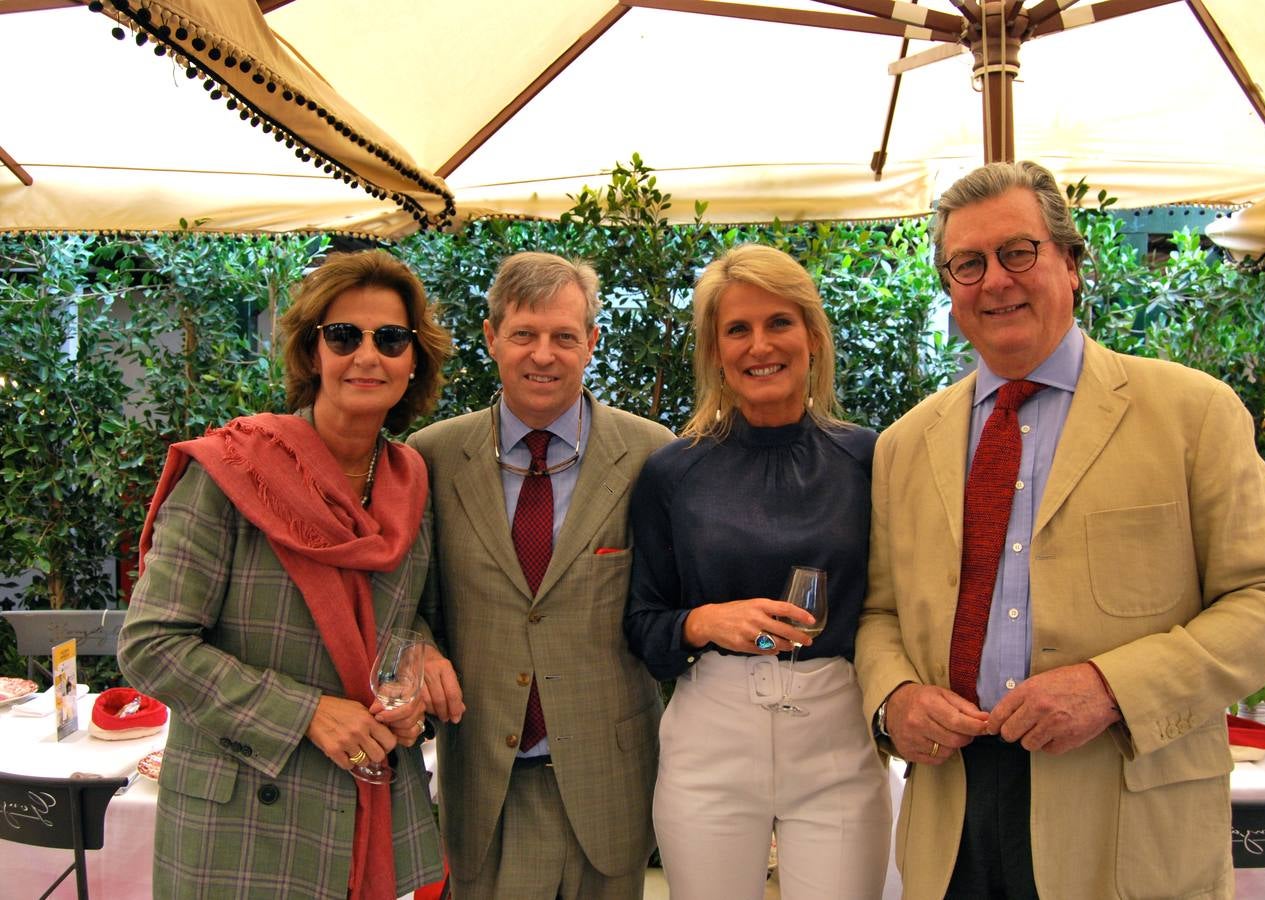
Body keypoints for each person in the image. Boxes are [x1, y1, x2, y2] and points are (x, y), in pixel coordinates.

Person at [855, 160, 1265, 899]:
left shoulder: (1191, 414)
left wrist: (1112, 686)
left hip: (1125, 815)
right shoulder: (904, 445)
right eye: (968, 264)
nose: (996, 281)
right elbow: (879, 611)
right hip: (952, 817)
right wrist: (894, 699)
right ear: (949, 287)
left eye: (1019, 251)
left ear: (1072, 263)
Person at [118, 249, 453, 900]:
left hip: (365, 801)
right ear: (311, 353)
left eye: (389, 339)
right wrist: (305, 713)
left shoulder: (412, 483)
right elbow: (151, 645)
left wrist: (413, 674)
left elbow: (402, 617)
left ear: (413, 362)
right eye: (342, 335)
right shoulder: (233, 473)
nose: (366, 355)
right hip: (242, 822)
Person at [624, 243, 893, 899]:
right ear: (715, 351)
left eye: (778, 323)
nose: (758, 345)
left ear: (811, 335)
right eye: (736, 329)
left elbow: (898, 604)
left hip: (836, 732)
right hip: (711, 736)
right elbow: (642, 622)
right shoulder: (672, 472)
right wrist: (702, 621)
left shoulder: (869, 459)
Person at [410, 251, 673, 900]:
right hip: (484, 779)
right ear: (491, 336)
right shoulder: (431, 459)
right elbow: (403, 604)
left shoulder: (653, 456)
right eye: (524, 334)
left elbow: (672, 607)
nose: (543, 355)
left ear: (592, 342)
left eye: (564, 336)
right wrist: (414, 647)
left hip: (607, 778)